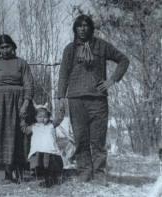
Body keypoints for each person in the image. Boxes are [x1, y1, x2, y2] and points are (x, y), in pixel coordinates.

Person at [57, 15, 129, 186]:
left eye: (86, 25)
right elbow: (63, 74)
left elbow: (123, 60)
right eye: (79, 26)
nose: (83, 29)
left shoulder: (101, 45)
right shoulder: (70, 49)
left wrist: (111, 80)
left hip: (97, 99)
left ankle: (98, 174)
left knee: (98, 138)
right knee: (81, 138)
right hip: (75, 99)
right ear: (75, 29)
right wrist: (60, 96)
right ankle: (84, 172)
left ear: (91, 28)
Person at [0, 34, 34, 184]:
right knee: (1, 136)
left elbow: (29, 85)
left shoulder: (21, 63)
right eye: (1, 48)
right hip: (0, 104)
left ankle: (19, 172)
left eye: (7, 47)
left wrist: (25, 103)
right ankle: (6, 174)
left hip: (19, 102)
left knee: (20, 135)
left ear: (13, 47)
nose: (5, 50)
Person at [21, 107, 63, 188]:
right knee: (40, 166)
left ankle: (49, 180)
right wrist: (22, 119)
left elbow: (59, 119)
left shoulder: (51, 125)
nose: (42, 119)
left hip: (49, 150)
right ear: (36, 117)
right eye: (40, 117)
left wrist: (61, 109)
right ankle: (43, 179)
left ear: (49, 117)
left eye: (45, 117)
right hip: (38, 151)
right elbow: (24, 129)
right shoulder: (34, 126)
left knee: (49, 166)